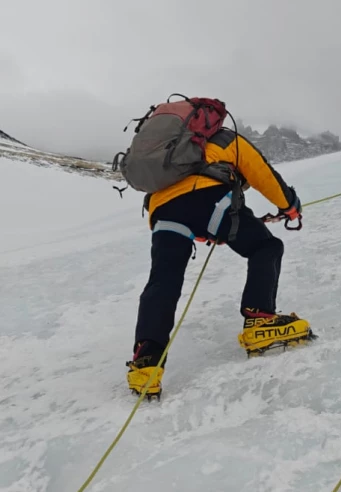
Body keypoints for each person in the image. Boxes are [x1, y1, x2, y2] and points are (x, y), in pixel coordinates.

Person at [122, 98, 312, 398]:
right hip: (209, 198)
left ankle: (146, 361)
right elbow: (261, 173)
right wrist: (289, 206)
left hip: (162, 212)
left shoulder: (172, 152)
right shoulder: (225, 140)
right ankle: (260, 322)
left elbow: (179, 199)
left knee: (164, 280)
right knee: (266, 247)